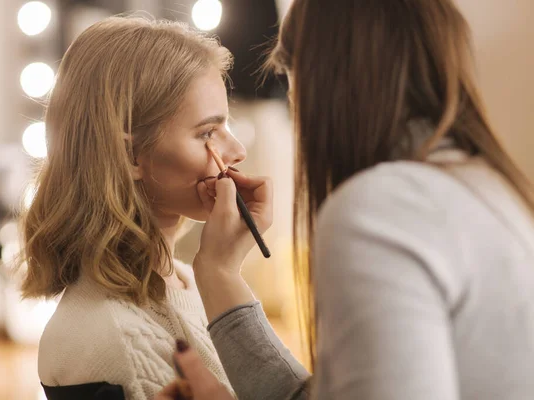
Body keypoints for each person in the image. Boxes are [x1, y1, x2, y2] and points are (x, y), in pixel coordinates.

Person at [156, 0, 534, 399]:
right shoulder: (492, 190)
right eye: (207, 132)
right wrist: (219, 272)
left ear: (321, 77)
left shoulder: (383, 211)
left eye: (289, 80)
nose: (295, 104)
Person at [18, 16, 254, 399]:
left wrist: (225, 274)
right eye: (208, 132)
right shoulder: (113, 339)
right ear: (129, 154)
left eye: (226, 126)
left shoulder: (190, 281)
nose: (238, 151)